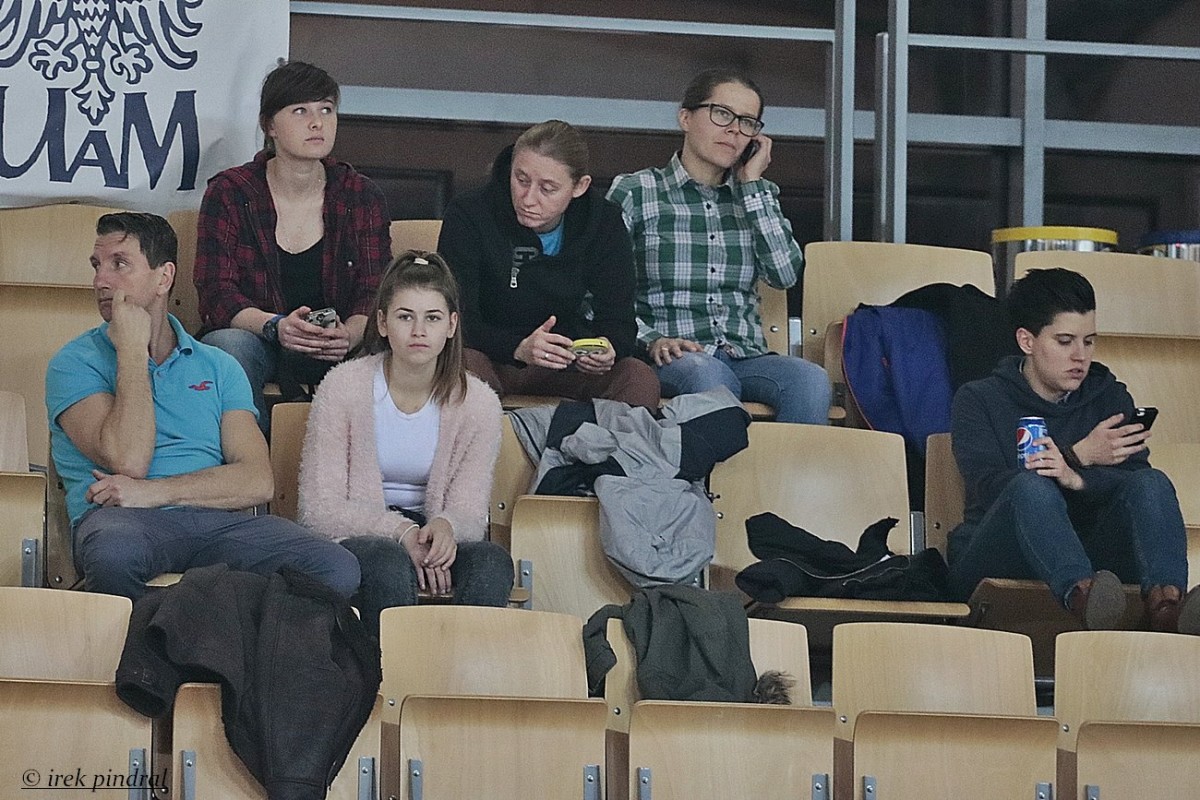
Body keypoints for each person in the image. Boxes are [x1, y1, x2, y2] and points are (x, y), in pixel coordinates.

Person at [46, 212, 360, 601]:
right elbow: (129, 460)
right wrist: (131, 350)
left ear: (164, 277)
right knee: (113, 554)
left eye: (119, 264)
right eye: (97, 265)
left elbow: (257, 481)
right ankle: (165, 641)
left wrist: (153, 493)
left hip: (213, 522)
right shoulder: (74, 363)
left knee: (335, 567)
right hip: (123, 523)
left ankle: (223, 635)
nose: (100, 281)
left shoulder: (218, 365)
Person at [948, 267, 1198, 633]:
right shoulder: (979, 399)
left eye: (1089, 341)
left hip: (1096, 557)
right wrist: (1077, 456)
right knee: (1029, 487)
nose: (1080, 356)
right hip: (1001, 549)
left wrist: (1077, 479)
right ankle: (1082, 597)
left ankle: (1166, 606)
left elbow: (1135, 485)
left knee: (1152, 482)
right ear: (1027, 341)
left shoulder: (1109, 397)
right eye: (1065, 342)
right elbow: (986, 489)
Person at [298, 251, 514, 636]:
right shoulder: (343, 386)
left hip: (429, 532)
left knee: (493, 562)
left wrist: (445, 528)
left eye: (432, 318)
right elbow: (319, 510)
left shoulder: (479, 402)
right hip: (363, 534)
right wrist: (401, 533)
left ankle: (459, 670)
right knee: (388, 562)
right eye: (405, 317)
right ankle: (386, 672)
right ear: (382, 323)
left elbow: (469, 510)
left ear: (451, 325)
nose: (419, 331)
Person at [606, 68, 830, 424]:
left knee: (811, 380)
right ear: (685, 118)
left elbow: (785, 274)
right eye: (722, 114)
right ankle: (719, 465)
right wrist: (652, 340)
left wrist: (752, 184)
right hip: (672, 355)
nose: (735, 130)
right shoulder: (637, 191)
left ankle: (785, 465)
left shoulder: (758, 196)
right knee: (707, 374)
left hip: (745, 356)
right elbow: (599, 292)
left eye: (747, 122)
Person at [194, 60, 391, 432]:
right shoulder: (231, 192)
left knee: (395, 350)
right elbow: (216, 293)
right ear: (269, 125)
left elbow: (375, 289)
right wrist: (277, 326)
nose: (317, 123)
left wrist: (349, 334)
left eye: (326, 110)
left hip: (339, 341)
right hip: (260, 337)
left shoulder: (360, 195)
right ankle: (250, 460)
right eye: (300, 111)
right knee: (228, 348)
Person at [437, 120, 659, 410]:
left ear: (579, 187)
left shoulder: (603, 222)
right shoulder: (469, 214)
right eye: (521, 180)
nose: (528, 199)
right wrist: (519, 347)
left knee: (637, 376)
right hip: (491, 355)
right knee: (460, 370)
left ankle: (608, 443)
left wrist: (607, 348)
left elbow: (620, 321)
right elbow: (456, 317)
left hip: (566, 359)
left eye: (548, 188)